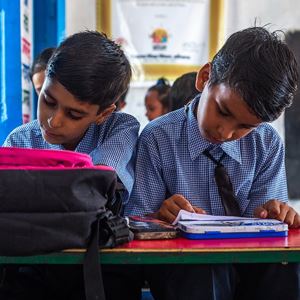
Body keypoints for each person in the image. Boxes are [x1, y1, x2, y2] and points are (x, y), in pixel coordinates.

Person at [125, 27, 300, 300]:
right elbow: (136, 226)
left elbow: (269, 238)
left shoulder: (266, 143)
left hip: (247, 267)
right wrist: (159, 217)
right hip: (186, 270)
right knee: (201, 265)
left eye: (245, 126)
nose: (225, 132)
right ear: (205, 78)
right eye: (223, 111)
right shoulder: (158, 138)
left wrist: (275, 214)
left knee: (286, 264)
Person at [1, 30, 140, 300]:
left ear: (103, 114)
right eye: (48, 101)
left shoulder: (120, 128)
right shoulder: (19, 139)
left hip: (100, 268)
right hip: (33, 267)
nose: (54, 120)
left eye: (74, 114)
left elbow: (95, 184)